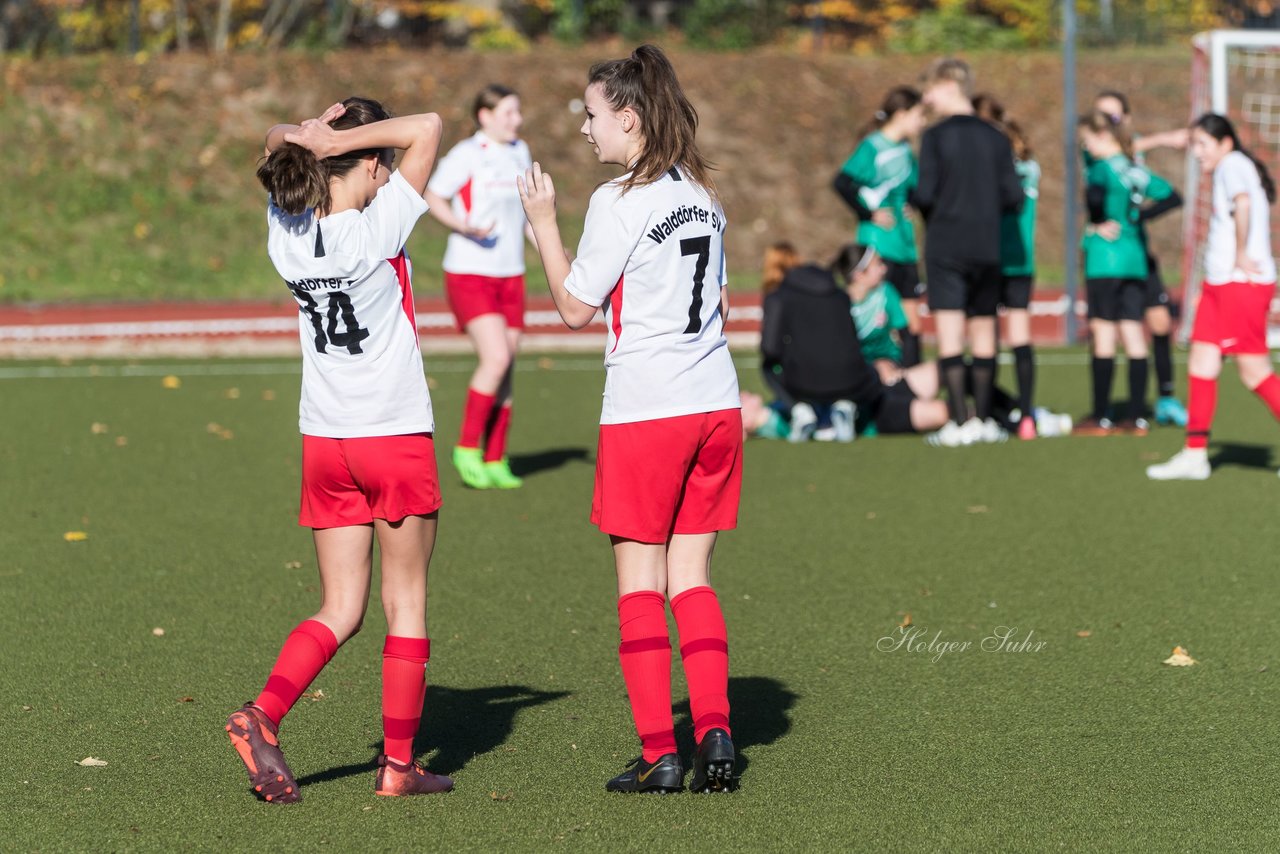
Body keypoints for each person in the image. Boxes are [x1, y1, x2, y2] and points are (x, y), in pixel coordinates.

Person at [517, 45, 740, 795]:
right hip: (715, 403)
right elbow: (722, 306)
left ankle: (659, 752)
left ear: (629, 117)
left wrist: (543, 224)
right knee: (694, 577)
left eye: (591, 115)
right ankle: (715, 732)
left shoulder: (619, 201)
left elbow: (576, 309)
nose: (585, 131)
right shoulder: (702, 194)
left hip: (650, 410)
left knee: (640, 583)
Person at [225, 97, 453, 803]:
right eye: (382, 168)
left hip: (326, 438)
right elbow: (430, 126)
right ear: (373, 163)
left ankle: (261, 715)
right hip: (392, 432)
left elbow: (272, 139)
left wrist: (309, 135)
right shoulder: (377, 224)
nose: (389, 179)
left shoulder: (285, 223)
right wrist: (342, 137)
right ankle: (398, 767)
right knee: (405, 602)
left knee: (341, 607)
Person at [1147, 113, 1279, 480]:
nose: (1197, 152)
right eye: (1194, 144)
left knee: (1255, 373)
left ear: (1225, 143)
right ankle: (1195, 455)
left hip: (1242, 285)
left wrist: (1239, 253)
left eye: (1203, 144)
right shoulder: (1227, 166)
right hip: (1221, 285)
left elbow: (1244, 204)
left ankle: (1195, 453)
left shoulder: (1232, 165)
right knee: (1201, 365)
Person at [425, 85, 535, 490]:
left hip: (512, 274)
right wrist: (462, 226)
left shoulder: (520, 152)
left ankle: (495, 456)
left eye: (518, 112)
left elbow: (527, 216)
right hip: (470, 272)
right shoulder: (467, 154)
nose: (516, 120)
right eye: (508, 113)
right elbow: (433, 195)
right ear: (485, 116)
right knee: (496, 358)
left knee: (507, 367)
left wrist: (554, 251)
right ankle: (467, 447)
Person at [911, 58, 1024, 447]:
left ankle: (961, 421)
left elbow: (924, 193)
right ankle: (987, 419)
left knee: (950, 334)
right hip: (987, 246)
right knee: (984, 330)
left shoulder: (936, 137)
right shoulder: (996, 136)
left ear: (948, 85)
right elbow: (1014, 196)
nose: (926, 99)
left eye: (930, 89)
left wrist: (916, 202)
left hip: (947, 244)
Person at [763, 242, 951, 438]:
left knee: (948, 369)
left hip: (879, 379)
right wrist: (875, 367)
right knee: (939, 411)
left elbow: (907, 335)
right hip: (867, 395)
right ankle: (842, 412)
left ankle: (980, 411)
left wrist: (902, 367)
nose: (884, 268)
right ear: (859, 274)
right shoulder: (839, 300)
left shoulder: (881, 294)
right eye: (878, 264)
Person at [1075, 111, 1182, 435]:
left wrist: (1096, 220)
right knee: (1134, 335)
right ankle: (1136, 417)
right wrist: (1139, 217)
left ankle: (1101, 417)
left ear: (1104, 135)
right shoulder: (1136, 168)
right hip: (1135, 260)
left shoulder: (1101, 168)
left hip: (1105, 261)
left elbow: (1094, 195)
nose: (1086, 146)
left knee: (1104, 334)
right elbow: (1173, 196)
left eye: (1088, 140)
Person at [833, 87, 928, 367]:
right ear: (901, 114)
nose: (923, 122)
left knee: (912, 326)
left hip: (905, 245)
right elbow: (842, 183)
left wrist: (914, 203)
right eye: (919, 114)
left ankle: (911, 395)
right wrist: (868, 213)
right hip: (879, 246)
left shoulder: (905, 150)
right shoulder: (872, 146)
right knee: (877, 322)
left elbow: (914, 187)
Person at [973, 93, 1041, 440]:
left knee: (985, 337)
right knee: (1019, 337)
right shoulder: (1029, 164)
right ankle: (1025, 415)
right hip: (1021, 261)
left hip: (990, 258)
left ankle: (984, 417)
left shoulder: (993, 166)